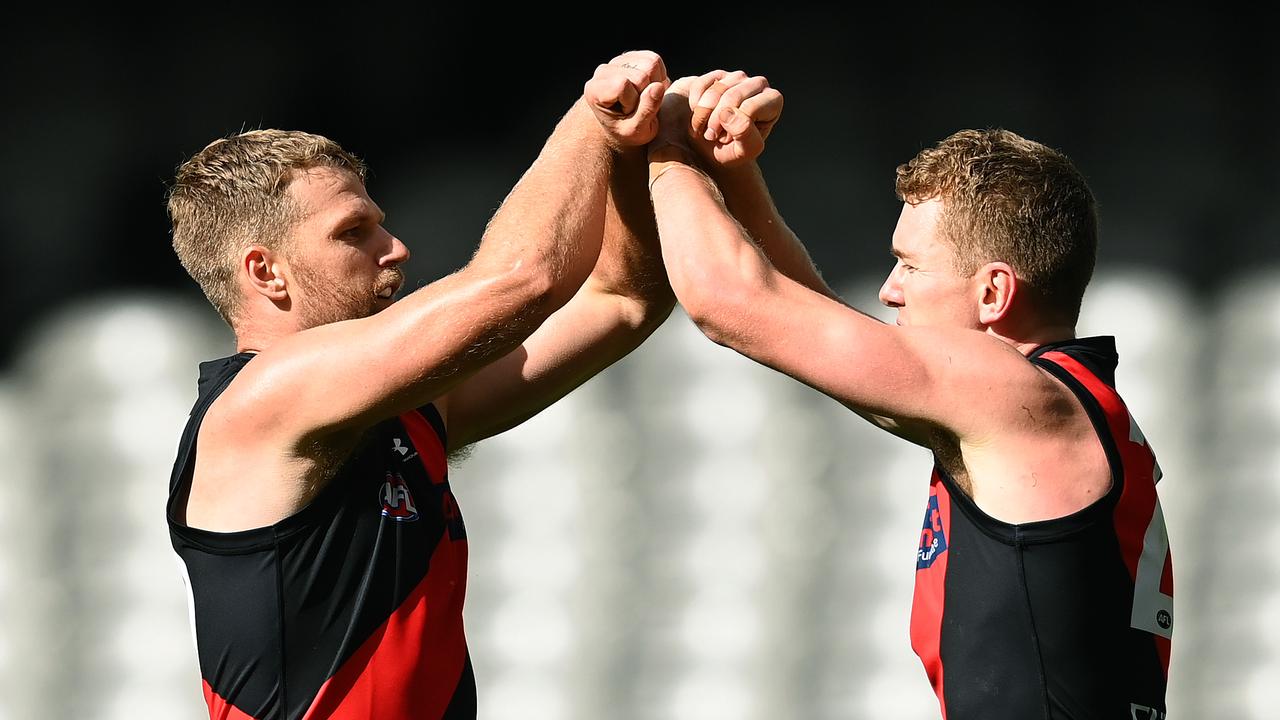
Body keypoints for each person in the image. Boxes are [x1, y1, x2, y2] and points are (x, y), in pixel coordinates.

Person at [164, 50, 674, 720]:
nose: (395, 247)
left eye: (380, 221)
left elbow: (624, 301)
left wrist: (649, 149)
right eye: (355, 232)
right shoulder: (263, 400)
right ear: (267, 273)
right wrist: (595, 117)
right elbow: (521, 282)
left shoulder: (404, 411)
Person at [645, 72, 1173, 719]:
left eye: (912, 266)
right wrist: (733, 171)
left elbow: (728, 303)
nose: (890, 290)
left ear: (993, 294)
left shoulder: (1014, 397)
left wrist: (663, 137)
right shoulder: (1049, 402)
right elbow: (810, 318)